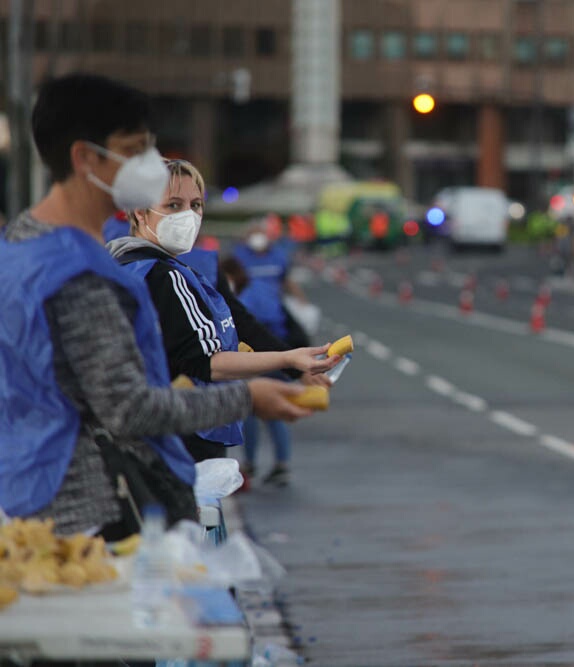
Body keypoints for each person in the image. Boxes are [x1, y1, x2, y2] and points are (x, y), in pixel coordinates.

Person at [0, 73, 314, 538]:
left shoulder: (20, 243)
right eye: (134, 150)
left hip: (27, 488)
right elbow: (128, 409)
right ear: (85, 158)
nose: (150, 168)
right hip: (96, 513)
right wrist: (249, 397)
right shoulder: (77, 273)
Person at [108, 159, 338, 462]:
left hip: (132, 435)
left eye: (196, 205)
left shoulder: (116, 264)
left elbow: (238, 321)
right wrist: (287, 360)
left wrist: (294, 366)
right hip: (180, 437)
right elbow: (206, 362)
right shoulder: (167, 276)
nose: (188, 216)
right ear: (140, 211)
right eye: (174, 205)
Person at [221, 256, 298, 486]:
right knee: (263, 411)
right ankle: (272, 463)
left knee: (261, 408)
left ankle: (261, 463)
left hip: (264, 356)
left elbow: (254, 325)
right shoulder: (254, 289)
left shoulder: (250, 294)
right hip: (268, 354)